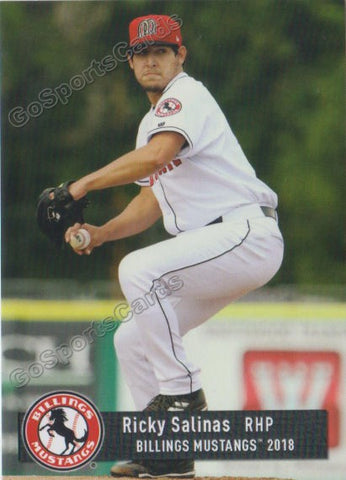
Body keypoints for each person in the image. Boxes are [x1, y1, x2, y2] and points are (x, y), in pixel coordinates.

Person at [65, 14, 284, 478]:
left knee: (137, 269)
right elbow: (151, 200)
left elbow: (158, 156)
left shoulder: (187, 95)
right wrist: (101, 232)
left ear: (180, 55)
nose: (151, 60)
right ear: (130, 62)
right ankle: (169, 454)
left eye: (161, 51)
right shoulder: (152, 121)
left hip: (245, 232)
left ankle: (184, 395)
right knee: (131, 339)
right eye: (142, 53)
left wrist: (80, 186)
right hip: (215, 245)